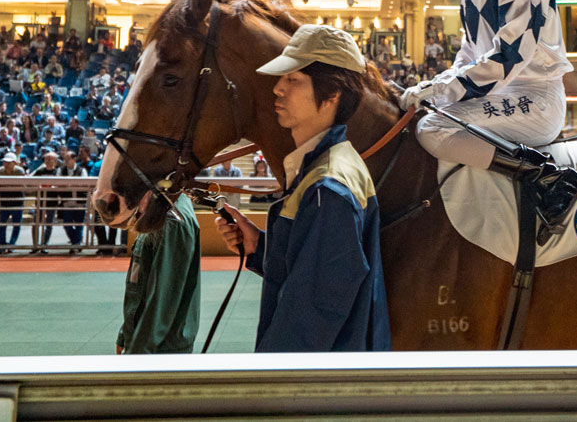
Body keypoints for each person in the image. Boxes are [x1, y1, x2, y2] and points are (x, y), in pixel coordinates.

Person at [399, 0, 577, 233]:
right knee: (425, 117)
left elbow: (511, 55)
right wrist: (435, 88)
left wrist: (441, 89)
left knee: (433, 129)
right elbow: (470, 53)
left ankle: (544, 176)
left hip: (535, 99)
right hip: (502, 96)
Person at [216, 24, 390, 352]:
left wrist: (269, 380)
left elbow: (308, 320)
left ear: (332, 95)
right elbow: (322, 274)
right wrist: (260, 248)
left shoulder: (329, 188)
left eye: (293, 80)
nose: (277, 89)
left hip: (321, 380)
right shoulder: (331, 165)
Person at [116, 191, 201, 353]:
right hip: (148, 341)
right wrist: (125, 334)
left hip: (158, 349)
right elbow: (141, 287)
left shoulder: (169, 221)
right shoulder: (157, 210)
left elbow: (162, 298)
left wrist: (137, 352)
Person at [0, 152, 26, 253]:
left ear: (14, 163)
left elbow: (22, 185)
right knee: (2, 224)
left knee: (16, 224)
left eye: (9, 163)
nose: (7, 164)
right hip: (4, 201)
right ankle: (1, 245)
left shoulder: (20, 171)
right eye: (5, 162)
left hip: (17, 201)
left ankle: (12, 244)